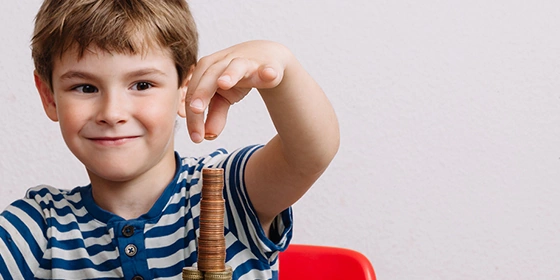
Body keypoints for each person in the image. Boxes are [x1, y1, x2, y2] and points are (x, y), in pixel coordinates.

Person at [0, 0, 339, 279]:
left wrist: (281, 68)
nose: (112, 112)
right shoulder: (38, 227)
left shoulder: (226, 192)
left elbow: (309, 155)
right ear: (49, 97)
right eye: (85, 88)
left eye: (142, 84)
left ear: (184, 89)